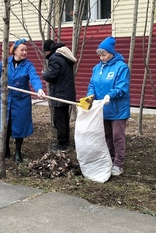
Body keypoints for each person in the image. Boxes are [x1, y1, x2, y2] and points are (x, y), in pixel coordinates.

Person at [0, 38, 45, 163]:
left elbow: (34, 78)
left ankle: (17, 152)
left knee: (19, 126)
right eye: (22, 50)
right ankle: (6, 148)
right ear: (15, 51)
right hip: (6, 99)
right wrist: (1, 83)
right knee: (6, 124)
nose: (25, 52)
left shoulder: (28, 65)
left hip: (21, 101)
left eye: (26, 50)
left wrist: (39, 89)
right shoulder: (5, 62)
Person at [86, 36, 130, 176]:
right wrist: (90, 96)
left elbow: (122, 87)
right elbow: (92, 84)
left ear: (111, 53)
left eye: (104, 55)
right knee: (106, 136)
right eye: (100, 55)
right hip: (102, 109)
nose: (102, 58)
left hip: (117, 109)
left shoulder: (121, 67)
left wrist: (110, 95)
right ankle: (109, 160)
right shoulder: (97, 68)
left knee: (117, 136)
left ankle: (118, 163)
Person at [42, 39, 76, 152]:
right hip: (66, 93)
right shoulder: (63, 56)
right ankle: (66, 140)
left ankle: (62, 144)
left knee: (59, 120)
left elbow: (52, 75)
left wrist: (44, 74)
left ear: (48, 50)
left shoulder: (55, 58)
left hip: (59, 94)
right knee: (64, 118)